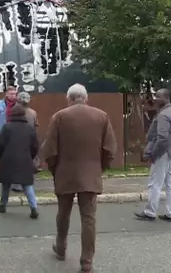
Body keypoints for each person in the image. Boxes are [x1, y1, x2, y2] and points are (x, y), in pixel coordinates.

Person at [40, 83, 117, 273]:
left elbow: (50, 150)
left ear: (69, 98)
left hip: (65, 173)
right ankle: (87, 261)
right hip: (90, 174)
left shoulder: (59, 117)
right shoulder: (101, 116)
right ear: (86, 98)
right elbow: (109, 149)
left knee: (63, 214)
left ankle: (60, 247)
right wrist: (100, 168)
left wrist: (54, 170)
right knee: (88, 218)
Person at [134, 88, 171, 222]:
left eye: (158, 96)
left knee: (155, 182)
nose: (155, 99)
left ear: (165, 98)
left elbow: (162, 138)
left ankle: (150, 212)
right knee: (170, 182)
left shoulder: (163, 115)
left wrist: (153, 154)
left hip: (163, 152)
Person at [0, 104, 40, 219]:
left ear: (11, 114)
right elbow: (35, 146)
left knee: (6, 185)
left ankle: (3, 205)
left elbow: (0, 145)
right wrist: (30, 157)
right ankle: (33, 207)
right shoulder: (29, 128)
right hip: (25, 159)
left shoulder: (6, 127)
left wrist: (1, 157)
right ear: (23, 114)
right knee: (27, 185)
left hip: (8, 159)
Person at [0, 85, 22, 192]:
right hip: (3, 133)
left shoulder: (19, 105)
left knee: (16, 157)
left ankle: (15, 179)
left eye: (15, 94)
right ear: (6, 94)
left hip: (16, 133)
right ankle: (3, 178)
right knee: (3, 157)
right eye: (11, 94)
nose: (13, 96)